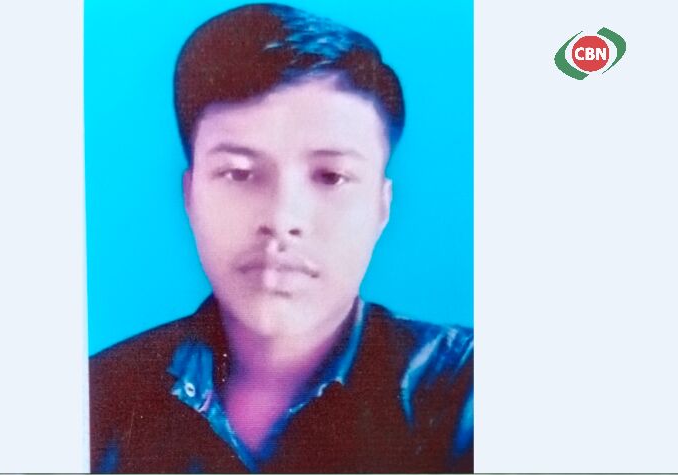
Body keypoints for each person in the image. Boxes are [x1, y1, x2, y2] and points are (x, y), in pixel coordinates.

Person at [90, 3, 473, 473]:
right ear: (190, 196)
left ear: (381, 206)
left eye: (331, 176)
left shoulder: (469, 392)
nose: (281, 218)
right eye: (238, 173)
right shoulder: (91, 399)